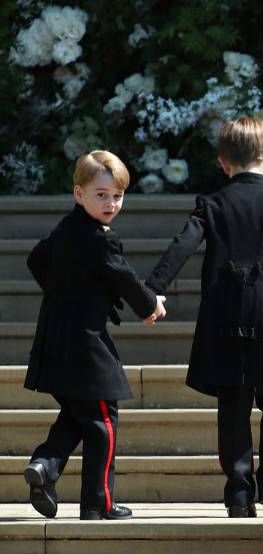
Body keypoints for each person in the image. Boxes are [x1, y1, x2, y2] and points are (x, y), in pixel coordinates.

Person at [145, 117, 263, 517]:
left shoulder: (212, 203)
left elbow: (182, 244)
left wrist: (153, 288)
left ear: (223, 163)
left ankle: (239, 492)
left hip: (225, 315)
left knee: (233, 403)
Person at [23, 150, 166, 521]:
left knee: (78, 412)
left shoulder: (67, 228)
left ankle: (45, 466)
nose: (110, 203)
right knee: (103, 419)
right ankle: (98, 502)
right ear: (78, 193)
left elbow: (36, 259)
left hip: (55, 341)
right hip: (84, 344)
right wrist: (151, 305)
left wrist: (66, 292)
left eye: (117, 195)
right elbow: (123, 277)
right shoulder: (101, 239)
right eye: (101, 194)